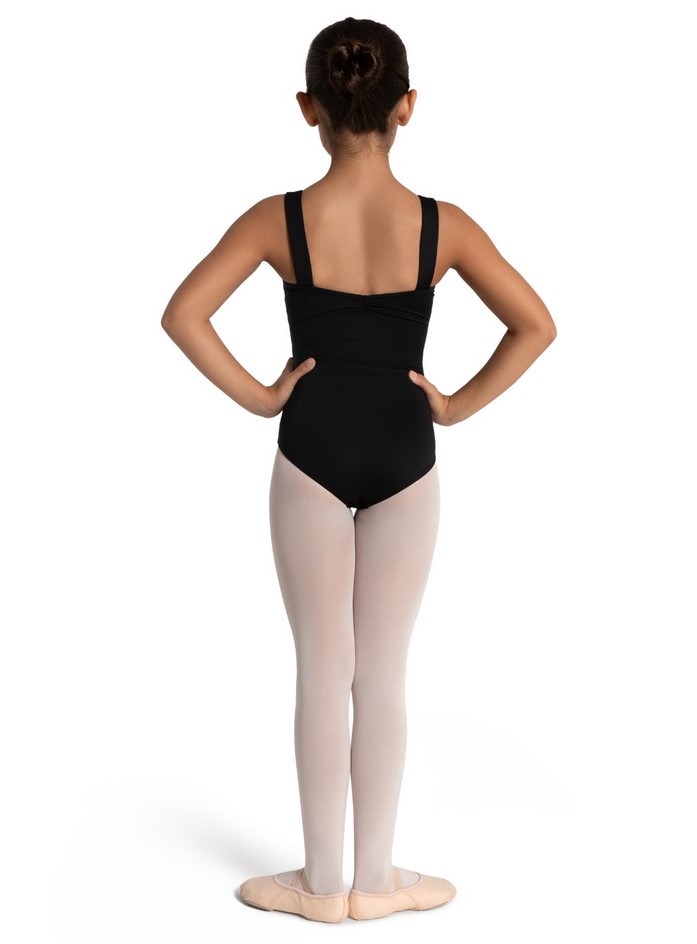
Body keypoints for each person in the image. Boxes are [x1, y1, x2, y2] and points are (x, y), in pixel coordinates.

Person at [161, 16, 556, 924]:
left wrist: (264, 396)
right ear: (406, 106)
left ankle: (318, 886)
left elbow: (184, 313)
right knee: (381, 673)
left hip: (309, 452)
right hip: (405, 456)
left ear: (309, 107)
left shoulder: (279, 220)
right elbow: (534, 324)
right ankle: (376, 884)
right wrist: (451, 405)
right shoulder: (440, 226)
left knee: (320, 668)